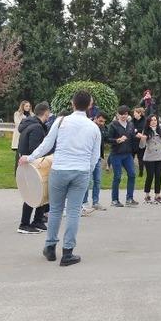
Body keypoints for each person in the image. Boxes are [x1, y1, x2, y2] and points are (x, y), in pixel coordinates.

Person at [19, 90, 101, 267]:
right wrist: (88, 171)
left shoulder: (61, 121)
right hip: (80, 171)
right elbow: (95, 156)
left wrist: (29, 157)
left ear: (72, 103)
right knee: (73, 212)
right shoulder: (94, 127)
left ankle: (50, 247)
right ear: (90, 106)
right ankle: (68, 252)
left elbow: (46, 144)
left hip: (59, 168)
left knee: (55, 210)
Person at [16, 102, 51, 234]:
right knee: (32, 194)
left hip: (31, 166)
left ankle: (37, 220)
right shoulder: (36, 128)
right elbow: (34, 150)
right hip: (31, 167)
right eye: (49, 113)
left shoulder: (34, 125)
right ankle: (24, 224)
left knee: (40, 193)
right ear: (46, 113)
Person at [107, 105, 138, 208]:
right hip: (116, 154)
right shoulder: (113, 125)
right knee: (117, 176)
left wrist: (139, 137)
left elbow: (132, 136)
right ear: (117, 115)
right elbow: (107, 139)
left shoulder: (130, 124)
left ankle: (129, 198)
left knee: (132, 174)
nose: (123, 116)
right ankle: (114, 200)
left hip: (127, 154)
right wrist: (117, 140)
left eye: (125, 114)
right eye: (121, 114)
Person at [139, 115, 161, 205]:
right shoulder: (146, 131)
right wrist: (143, 139)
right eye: (151, 120)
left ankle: (157, 195)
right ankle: (147, 195)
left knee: (158, 176)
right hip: (149, 158)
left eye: (155, 120)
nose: (153, 121)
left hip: (160, 157)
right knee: (150, 176)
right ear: (148, 122)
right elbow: (141, 146)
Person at [81, 113, 108, 213]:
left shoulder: (101, 128)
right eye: (100, 121)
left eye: (104, 122)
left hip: (98, 158)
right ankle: (84, 202)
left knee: (97, 180)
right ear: (95, 119)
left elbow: (104, 140)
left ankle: (95, 202)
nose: (102, 123)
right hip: (88, 157)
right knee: (88, 181)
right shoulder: (88, 127)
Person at [131, 107, 147, 178]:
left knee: (140, 158)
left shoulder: (144, 121)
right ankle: (131, 172)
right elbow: (130, 129)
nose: (134, 114)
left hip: (141, 143)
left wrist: (136, 131)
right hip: (133, 142)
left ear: (139, 113)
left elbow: (143, 131)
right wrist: (136, 132)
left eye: (135, 113)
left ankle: (141, 173)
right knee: (131, 158)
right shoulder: (132, 120)